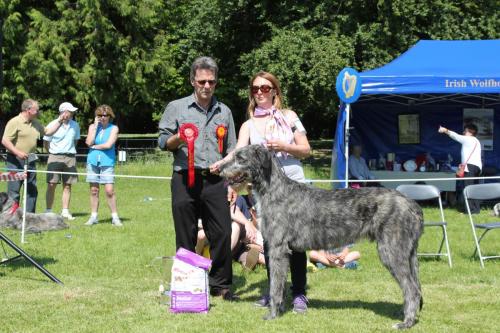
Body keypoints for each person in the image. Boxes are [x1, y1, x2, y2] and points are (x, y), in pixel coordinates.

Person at [211, 71, 311, 313]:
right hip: (265, 192)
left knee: (296, 243)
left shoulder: (290, 116)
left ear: (275, 91)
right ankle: (273, 291)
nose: (259, 92)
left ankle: (299, 293)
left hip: (293, 185)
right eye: (255, 89)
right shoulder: (248, 124)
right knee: (270, 242)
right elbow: (237, 152)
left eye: (265, 88)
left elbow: (306, 149)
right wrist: (222, 165)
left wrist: (284, 146)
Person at [158, 56, 237, 300]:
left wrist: (232, 182)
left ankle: (221, 285)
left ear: (216, 82)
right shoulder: (176, 107)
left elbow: (232, 150)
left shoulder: (224, 111)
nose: (206, 86)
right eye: (201, 81)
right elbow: (162, 142)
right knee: (186, 234)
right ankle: (189, 285)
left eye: (211, 82)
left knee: (223, 233)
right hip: (184, 178)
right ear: (192, 80)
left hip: (215, 180)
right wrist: (180, 137)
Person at [1, 99, 70, 213]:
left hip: (31, 161)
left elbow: (48, 132)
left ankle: (29, 217)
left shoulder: (35, 122)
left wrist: (60, 121)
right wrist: (17, 152)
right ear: (28, 110)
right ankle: (12, 217)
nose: (39, 112)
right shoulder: (14, 122)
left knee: (32, 190)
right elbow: (5, 140)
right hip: (15, 161)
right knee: (14, 191)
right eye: (36, 110)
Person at [84, 105, 122, 226]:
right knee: (94, 190)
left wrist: (94, 147)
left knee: (109, 190)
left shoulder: (114, 128)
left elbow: (108, 145)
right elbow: (88, 142)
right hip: (92, 160)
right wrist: (95, 126)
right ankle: (93, 216)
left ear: (110, 116)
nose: (102, 117)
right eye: (99, 115)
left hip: (107, 162)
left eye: (105, 115)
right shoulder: (92, 127)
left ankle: (115, 217)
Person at [44, 102, 81, 220]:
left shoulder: (75, 125)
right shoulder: (52, 124)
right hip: (54, 156)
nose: (72, 113)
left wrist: (69, 150)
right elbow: (46, 142)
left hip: (70, 157)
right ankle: (48, 210)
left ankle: (65, 211)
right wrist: (51, 152)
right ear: (63, 112)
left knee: (68, 185)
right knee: (51, 184)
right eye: (70, 111)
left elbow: (75, 141)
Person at [438, 124, 482, 214]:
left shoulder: (468, 139)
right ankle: (475, 209)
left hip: (470, 167)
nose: (463, 133)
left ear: (470, 132)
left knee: (468, 188)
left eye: (465, 131)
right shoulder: (477, 141)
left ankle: (469, 211)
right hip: (477, 167)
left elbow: (455, 136)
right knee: (474, 188)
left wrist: (445, 130)